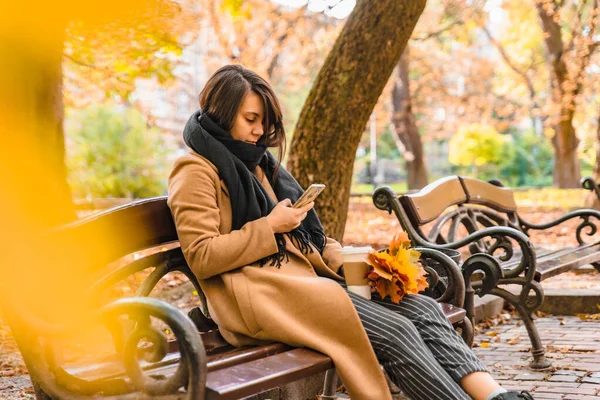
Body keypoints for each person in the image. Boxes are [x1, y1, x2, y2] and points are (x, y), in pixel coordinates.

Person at [167, 64, 534, 400]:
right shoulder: (195, 170)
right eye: (251, 119)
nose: (260, 131)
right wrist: (270, 226)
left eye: (264, 121)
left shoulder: (257, 165)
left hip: (307, 284)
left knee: (421, 309)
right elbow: (201, 256)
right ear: (222, 111)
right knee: (395, 332)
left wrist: (354, 261)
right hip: (262, 301)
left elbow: (305, 241)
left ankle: (494, 396)